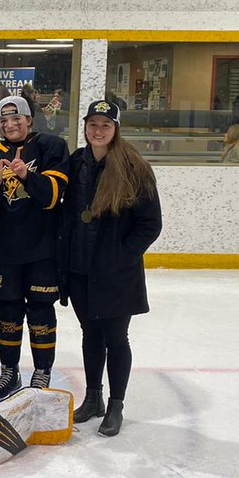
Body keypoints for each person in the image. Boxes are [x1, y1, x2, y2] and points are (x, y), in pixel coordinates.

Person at [60, 100, 162, 437]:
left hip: (116, 273)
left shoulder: (134, 168)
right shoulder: (77, 162)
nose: (98, 130)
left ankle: (116, 404)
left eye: (105, 125)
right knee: (91, 335)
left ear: (116, 129)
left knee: (116, 339)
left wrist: (120, 258)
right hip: (80, 269)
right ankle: (93, 398)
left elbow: (150, 224)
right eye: (93, 124)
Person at [0, 95, 70, 399]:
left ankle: (42, 371)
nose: (11, 124)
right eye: (4, 120)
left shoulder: (51, 146)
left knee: (41, 309)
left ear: (30, 120)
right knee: (8, 309)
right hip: (5, 249)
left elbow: (53, 196)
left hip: (43, 248)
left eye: (17, 119)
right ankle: (9, 371)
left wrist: (26, 174)